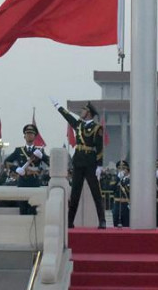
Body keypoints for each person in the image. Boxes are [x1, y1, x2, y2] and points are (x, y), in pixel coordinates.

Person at [51, 98, 106, 229]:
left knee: (96, 192)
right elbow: (68, 117)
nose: (81, 112)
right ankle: (70, 221)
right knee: (75, 192)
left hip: (91, 162)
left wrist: (99, 165)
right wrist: (57, 106)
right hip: (78, 161)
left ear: (89, 113)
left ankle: (102, 220)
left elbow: (99, 147)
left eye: (84, 110)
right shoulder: (79, 125)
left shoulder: (97, 128)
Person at [4, 123, 50, 215]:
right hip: (22, 183)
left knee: (34, 212)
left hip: (35, 183)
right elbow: (6, 162)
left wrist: (42, 156)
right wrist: (16, 169)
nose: (29, 135)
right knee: (23, 211)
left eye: (31, 133)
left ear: (35, 136)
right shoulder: (19, 150)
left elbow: (50, 162)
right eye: (27, 133)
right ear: (24, 136)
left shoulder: (39, 151)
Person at [111, 160, 130, 228]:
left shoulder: (131, 180)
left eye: (123, 168)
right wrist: (118, 178)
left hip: (126, 205)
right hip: (117, 205)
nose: (121, 170)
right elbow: (111, 188)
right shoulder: (115, 179)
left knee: (126, 225)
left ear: (127, 169)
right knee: (116, 225)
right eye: (119, 168)